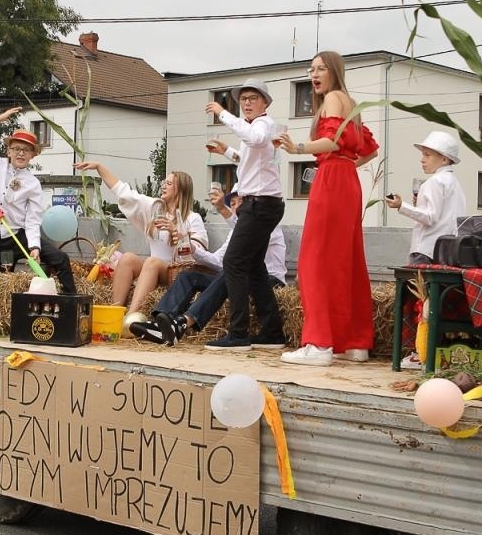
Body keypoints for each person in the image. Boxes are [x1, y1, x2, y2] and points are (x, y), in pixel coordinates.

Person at [275, 51, 379, 366]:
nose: (314, 74)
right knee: (345, 262)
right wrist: (348, 164)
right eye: (311, 70)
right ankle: (354, 343)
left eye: (320, 68)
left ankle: (319, 343)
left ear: (334, 71)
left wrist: (299, 148)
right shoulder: (351, 103)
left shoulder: (333, 99)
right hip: (347, 179)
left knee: (315, 262)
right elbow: (370, 150)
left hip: (333, 178)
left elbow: (332, 141)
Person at [135, 186, 289, 346]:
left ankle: (183, 322)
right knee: (188, 276)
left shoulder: (262, 225)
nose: (236, 207)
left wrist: (223, 210)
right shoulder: (237, 231)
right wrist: (190, 245)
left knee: (231, 268)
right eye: (233, 203)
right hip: (239, 279)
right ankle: (162, 324)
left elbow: (240, 258)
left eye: (240, 202)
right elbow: (217, 261)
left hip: (270, 281)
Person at [202, 78, 287, 349]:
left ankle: (238, 334)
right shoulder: (256, 129)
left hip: (260, 204)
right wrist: (225, 150)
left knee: (234, 263)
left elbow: (254, 139)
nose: (247, 103)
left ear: (265, 103)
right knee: (254, 268)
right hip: (261, 203)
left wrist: (222, 112)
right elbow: (248, 159)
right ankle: (272, 332)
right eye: (244, 99)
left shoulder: (263, 125)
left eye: (253, 98)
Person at [73, 157, 206, 329]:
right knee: (128, 258)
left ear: (181, 189)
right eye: (164, 182)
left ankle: (130, 319)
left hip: (175, 271)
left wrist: (177, 233)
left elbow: (199, 253)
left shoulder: (192, 218)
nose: (163, 186)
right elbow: (123, 191)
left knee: (152, 262)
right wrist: (99, 167)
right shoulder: (154, 208)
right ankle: (116, 312)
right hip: (154, 267)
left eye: (169, 183)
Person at [0, 107, 76, 293]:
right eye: (16, 148)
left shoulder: (32, 183)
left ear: (33, 155)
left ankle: (69, 298)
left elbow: (33, 219)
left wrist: (34, 247)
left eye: (26, 150)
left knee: (60, 258)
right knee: (1, 282)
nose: (21, 153)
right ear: (8, 150)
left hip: (18, 236)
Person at [387, 130, 467, 265]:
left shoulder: (434, 182)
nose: (422, 159)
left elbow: (430, 217)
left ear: (444, 159)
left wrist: (401, 206)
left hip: (426, 250)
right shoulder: (455, 184)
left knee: (417, 286)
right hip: (448, 252)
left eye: (427, 155)